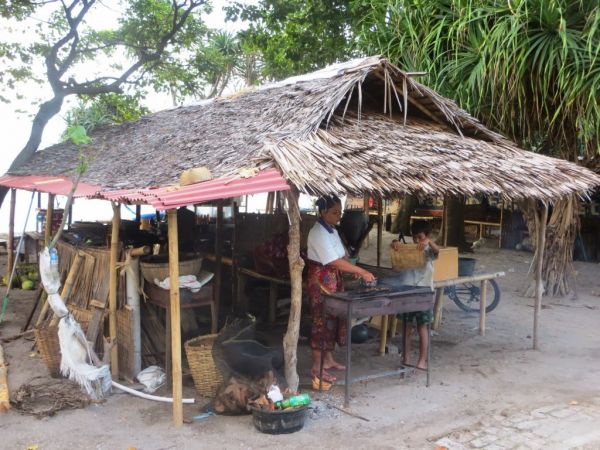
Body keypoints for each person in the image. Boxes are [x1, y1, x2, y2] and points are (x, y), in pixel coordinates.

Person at [307, 195, 376, 382]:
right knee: (321, 321)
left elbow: (342, 256)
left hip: (333, 279)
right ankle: (317, 367)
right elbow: (332, 261)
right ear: (323, 212)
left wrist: (351, 268)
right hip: (321, 281)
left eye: (340, 212)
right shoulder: (317, 233)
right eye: (334, 212)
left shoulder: (332, 230)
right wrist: (360, 271)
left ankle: (328, 360)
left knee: (332, 320)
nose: (339, 216)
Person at [391, 220, 440, 370]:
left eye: (420, 237)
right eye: (414, 238)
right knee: (406, 327)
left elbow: (438, 251)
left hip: (423, 291)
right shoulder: (408, 248)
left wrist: (429, 243)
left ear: (427, 236)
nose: (417, 241)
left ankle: (422, 361)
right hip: (406, 289)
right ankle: (405, 358)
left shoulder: (428, 250)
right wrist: (394, 243)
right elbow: (396, 255)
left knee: (422, 327)